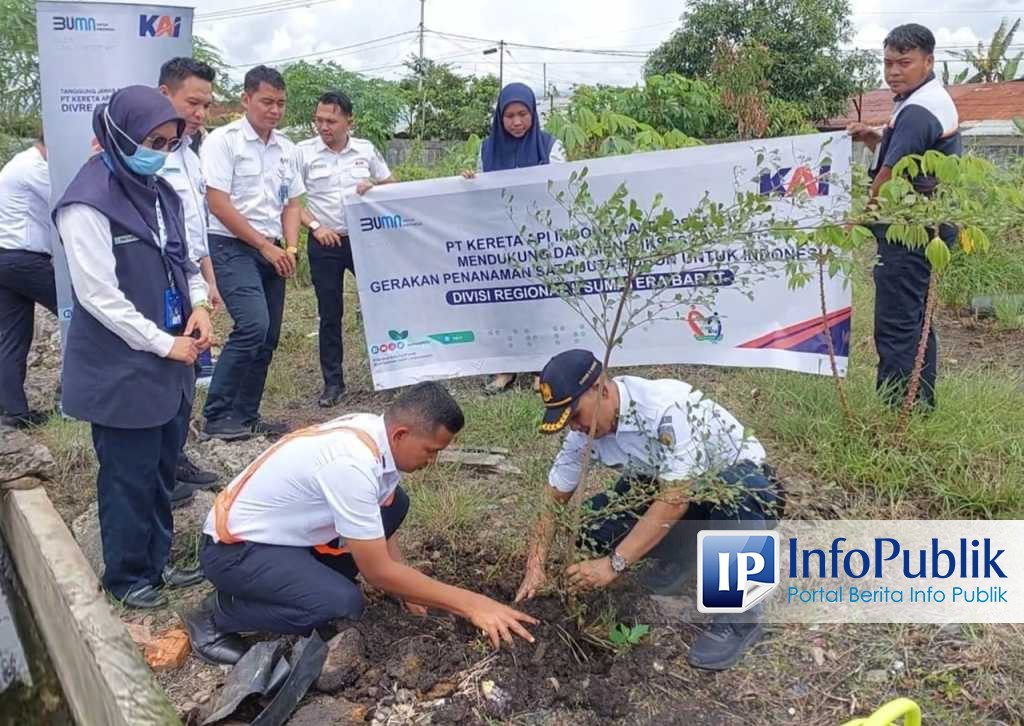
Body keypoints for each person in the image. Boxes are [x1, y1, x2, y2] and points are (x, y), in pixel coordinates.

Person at [183, 382, 537, 665]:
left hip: (285, 539)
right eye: (431, 451)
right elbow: (378, 572)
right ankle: (216, 615)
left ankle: (293, 582)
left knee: (395, 504)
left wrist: (407, 586)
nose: (433, 462)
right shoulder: (351, 464)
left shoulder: (377, 436)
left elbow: (383, 526)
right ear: (401, 434)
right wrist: (475, 604)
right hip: (235, 552)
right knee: (340, 604)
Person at [516, 350, 783, 671]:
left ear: (601, 390)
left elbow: (675, 498)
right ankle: (683, 557)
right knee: (594, 520)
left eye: (576, 416)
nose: (575, 428)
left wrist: (613, 564)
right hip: (681, 499)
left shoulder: (665, 410)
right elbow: (554, 500)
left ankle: (740, 618)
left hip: (743, 493)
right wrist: (535, 565)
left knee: (738, 492)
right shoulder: (582, 434)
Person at [54, 86, 213, 609]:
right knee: (128, 475)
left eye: (170, 142)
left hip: (170, 356)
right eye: (152, 140)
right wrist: (162, 344)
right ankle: (126, 578)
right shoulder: (87, 203)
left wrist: (199, 307)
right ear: (119, 135)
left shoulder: (160, 189)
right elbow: (99, 296)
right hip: (123, 365)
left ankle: (158, 563)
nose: (162, 151)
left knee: (163, 469)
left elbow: (184, 259)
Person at [848, 23, 961, 410]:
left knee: (898, 326)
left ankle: (896, 411)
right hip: (926, 228)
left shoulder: (917, 108)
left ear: (928, 61)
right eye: (888, 62)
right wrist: (875, 137)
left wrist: (861, 219)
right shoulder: (924, 100)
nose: (893, 71)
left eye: (904, 63)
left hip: (908, 232)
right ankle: (919, 405)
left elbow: (890, 173)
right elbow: (911, 148)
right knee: (916, 322)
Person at [200, 65, 304, 441]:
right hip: (231, 245)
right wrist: (263, 246)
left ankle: (244, 415)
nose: (274, 110)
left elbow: (292, 204)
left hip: (273, 249)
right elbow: (217, 202)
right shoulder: (223, 142)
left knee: (269, 335)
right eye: (266, 102)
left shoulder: (287, 149)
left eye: (280, 103)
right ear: (246, 99)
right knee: (252, 326)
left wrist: (289, 248)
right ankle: (215, 416)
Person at [461, 82, 566, 395]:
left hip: (539, 240)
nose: (517, 122)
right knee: (502, 304)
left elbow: (562, 189)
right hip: (500, 241)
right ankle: (505, 368)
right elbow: (480, 195)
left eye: (523, 114)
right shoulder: (487, 150)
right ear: (500, 117)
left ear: (533, 114)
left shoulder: (550, 147)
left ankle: (541, 367)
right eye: (510, 116)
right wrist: (470, 182)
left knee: (539, 303)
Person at [299, 91, 395, 408]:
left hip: (364, 242)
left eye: (331, 120)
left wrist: (374, 187)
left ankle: (395, 372)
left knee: (383, 303)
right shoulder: (303, 153)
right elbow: (290, 203)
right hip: (324, 242)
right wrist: (315, 227)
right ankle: (333, 383)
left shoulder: (365, 150)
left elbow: (391, 186)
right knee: (330, 313)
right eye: (319, 120)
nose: (323, 127)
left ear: (348, 122)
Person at [156, 57, 223, 500]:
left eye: (205, 105)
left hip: (190, 280)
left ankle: (174, 459)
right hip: (158, 281)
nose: (200, 113)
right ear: (165, 95)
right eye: (192, 103)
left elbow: (194, 228)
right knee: (161, 374)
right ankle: (160, 470)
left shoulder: (191, 154)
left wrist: (208, 280)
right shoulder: (148, 155)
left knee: (187, 375)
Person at [0, 132, 57, 429]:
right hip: (23, 259)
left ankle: (13, 410)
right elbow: (66, 198)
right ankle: (71, 394)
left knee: (12, 336)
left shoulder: (21, 163)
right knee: (83, 313)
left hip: (7, 258)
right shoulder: (35, 168)